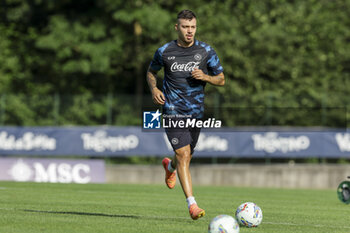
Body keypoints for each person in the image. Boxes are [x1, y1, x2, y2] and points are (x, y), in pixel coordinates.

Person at [146, 9, 225, 220]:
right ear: (177, 27)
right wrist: (154, 89)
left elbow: (221, 79)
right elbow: (151, 72)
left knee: (185, 156)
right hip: (172, 112)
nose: (190, 31)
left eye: (193, 27)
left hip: (196, 114)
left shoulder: (206, 51)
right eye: (185, 27)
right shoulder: (164, 51)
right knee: (184, 155)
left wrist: (206, 77)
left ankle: (169, 166)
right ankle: (192, 205)